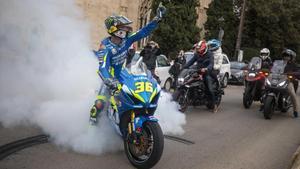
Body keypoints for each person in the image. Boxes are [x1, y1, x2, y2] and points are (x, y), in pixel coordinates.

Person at [90, 4, 166, 125]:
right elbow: (103, 67)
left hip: (122, 74)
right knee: (99, 104)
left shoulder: (127, 39)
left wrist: (157, 19)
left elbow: (143, 32)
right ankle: (91, 127)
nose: (127, 29)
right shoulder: (105, 47)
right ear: (115, 29)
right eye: (123, 28)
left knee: (132, 96)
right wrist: (109, 80)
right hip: (109, 78)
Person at [183, 40, 218, 113]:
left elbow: (211, 64)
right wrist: (183, 67)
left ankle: (214, 105)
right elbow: (190, 62)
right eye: (198, 50)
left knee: (209, 88)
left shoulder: (210, 54)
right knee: (188, 80)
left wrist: (206, 69)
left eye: (200, 50)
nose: (199, 52)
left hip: (207, 72)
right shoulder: (197, 54)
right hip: (198, 71)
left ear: (205, 49)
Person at [282, 49, 299, 118]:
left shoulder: (294, 65)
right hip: (278, 80)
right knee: (266, 87)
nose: (286, 57)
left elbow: (298, 72)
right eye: (285, 56)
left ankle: (295, 110)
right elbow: (272, 68)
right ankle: (264, 104)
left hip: (288, 81)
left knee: (292, 93)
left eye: (288, 56)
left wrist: (294, 73)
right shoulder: (279, 63)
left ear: (291, 57)